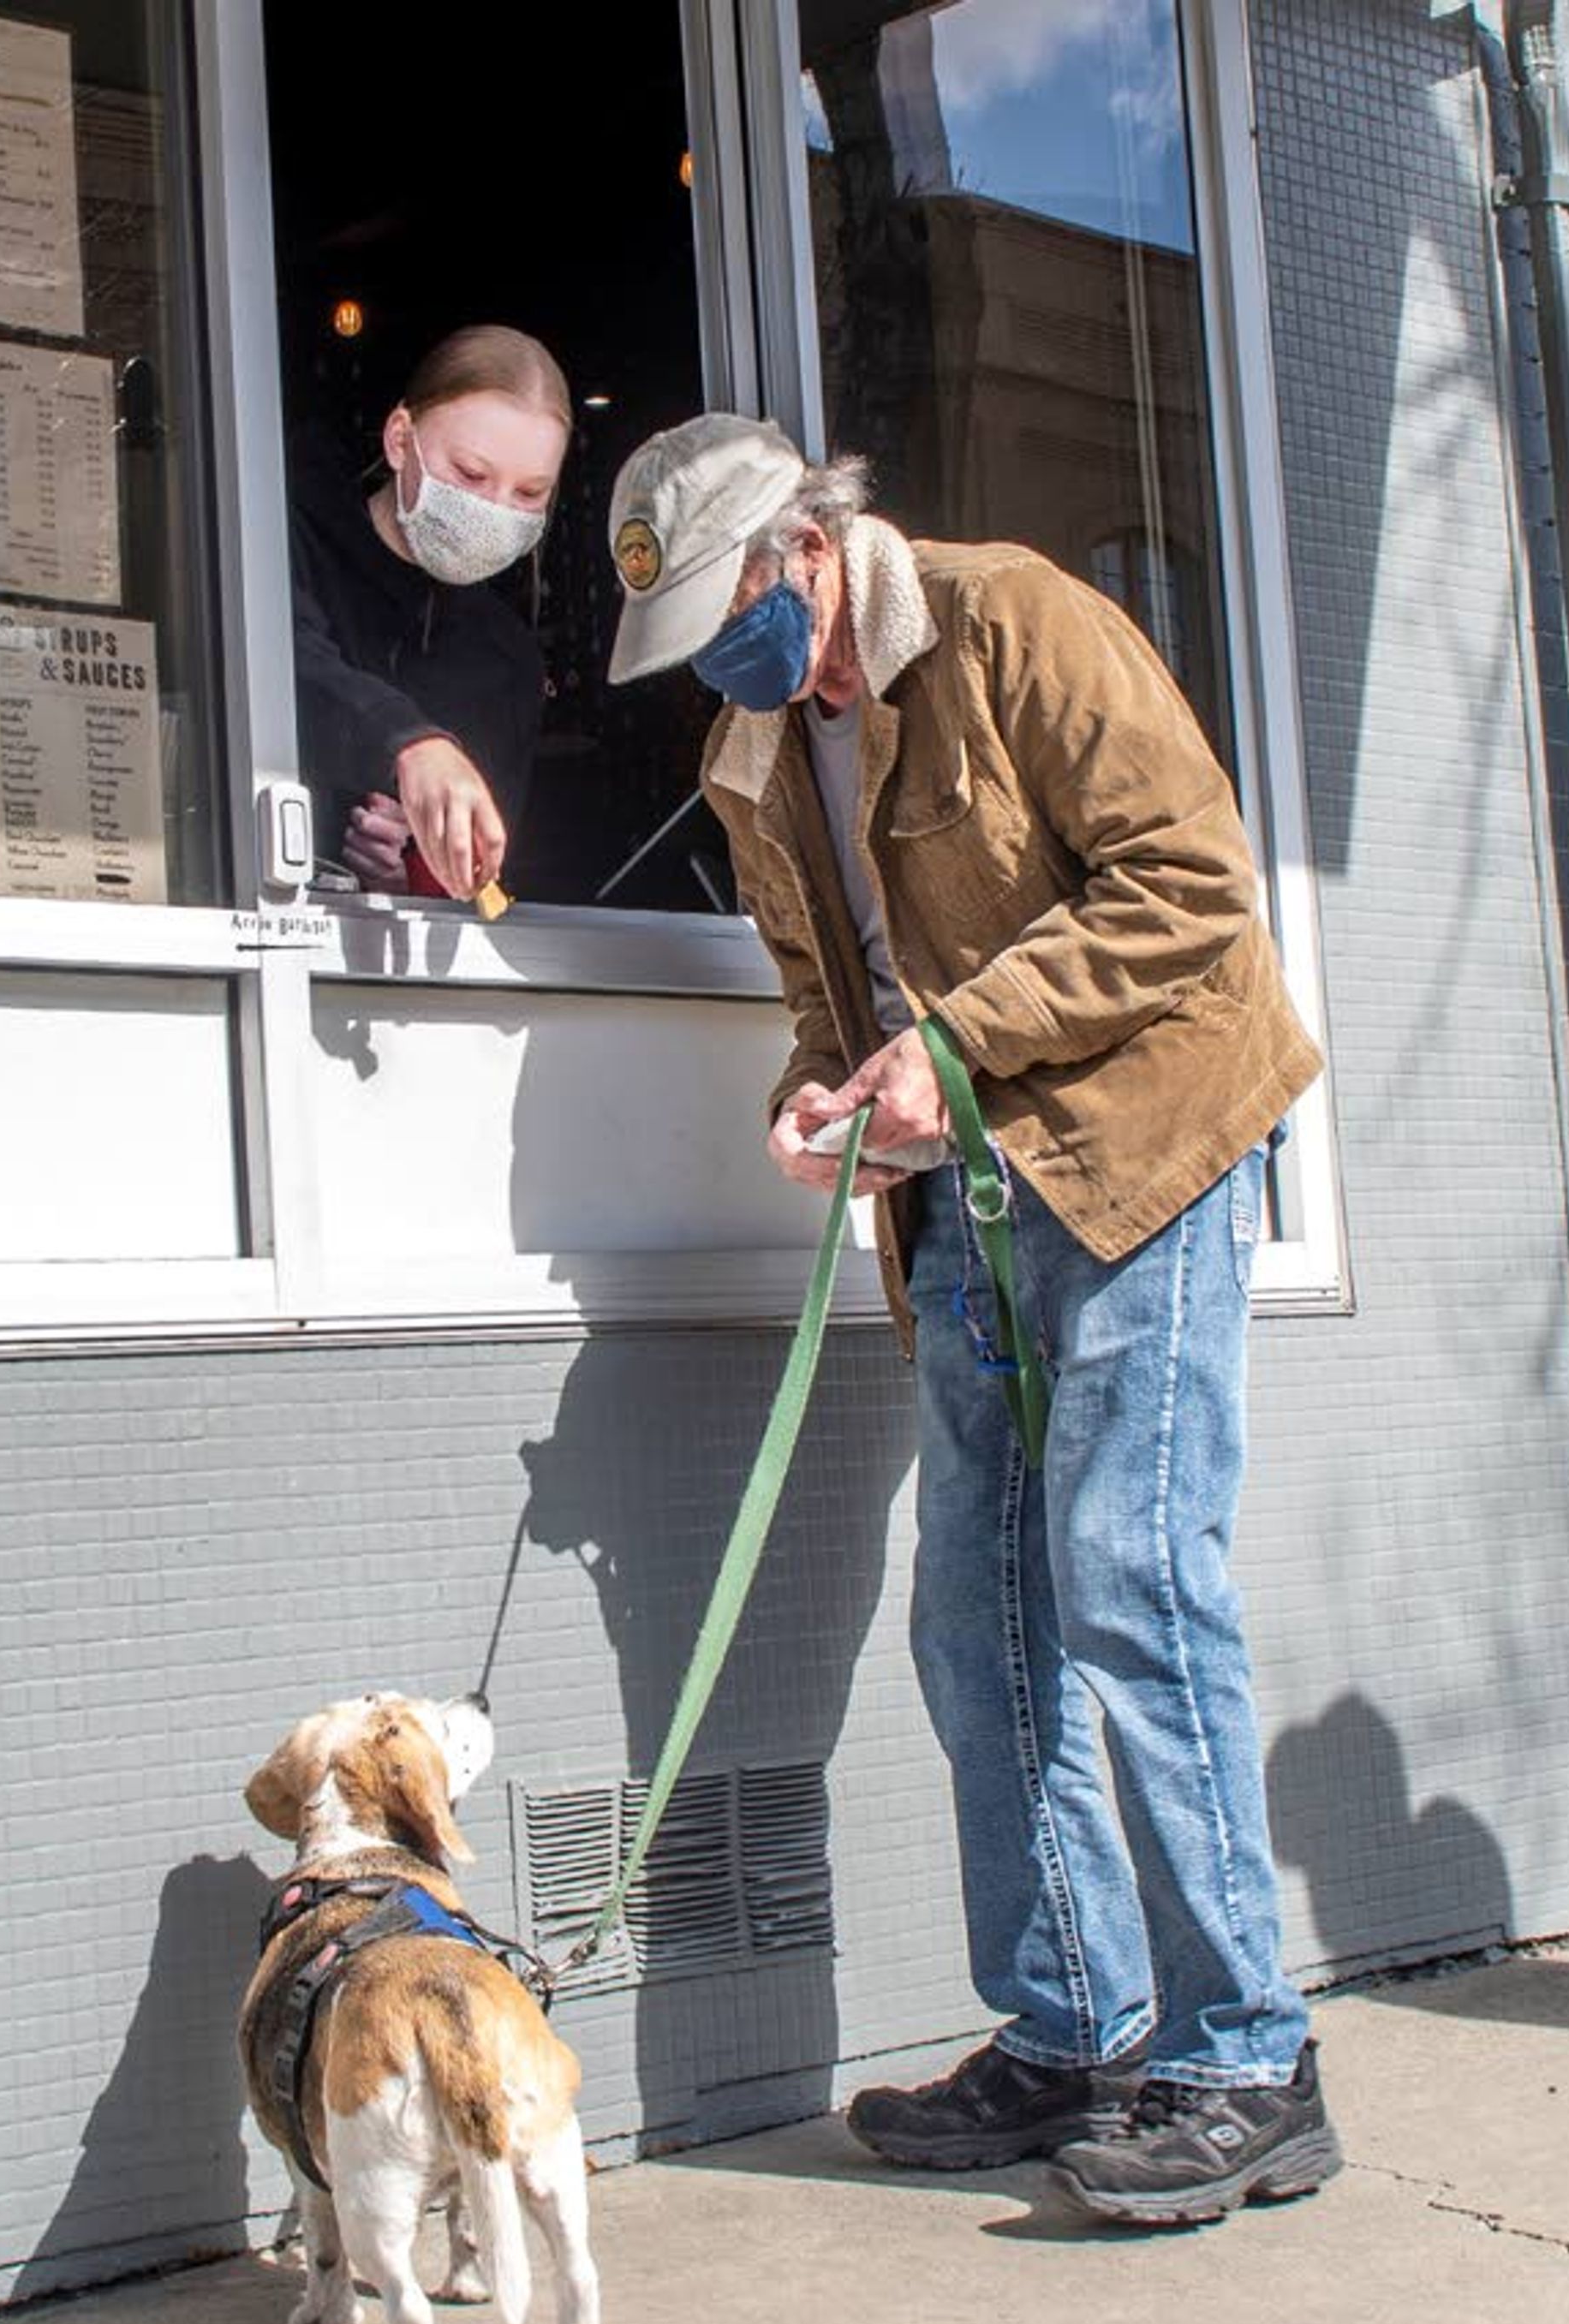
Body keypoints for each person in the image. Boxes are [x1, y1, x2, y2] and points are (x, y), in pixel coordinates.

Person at [602, 413, 1339, 2226]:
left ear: (803, 549)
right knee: (971, 1613)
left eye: (726, 608)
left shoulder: (1020, 624)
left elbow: (1192, 895)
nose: (721, 657)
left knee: (1132, 1577)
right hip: (967, 1195)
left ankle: (1249, 2053)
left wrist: (947, 1052)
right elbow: (820, 987)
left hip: (1151, 1152)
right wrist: (821, 1094)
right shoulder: (750, 758)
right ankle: (1071, 2026)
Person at [288, 325, 571, 900]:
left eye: (529, 494)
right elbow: (285, 662)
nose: (493, 508)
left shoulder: (507, 661)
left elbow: (494, 897)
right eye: (471, 474)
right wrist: (411, 745)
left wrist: (407, 881)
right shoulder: (291, 540)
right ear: (399, 440)